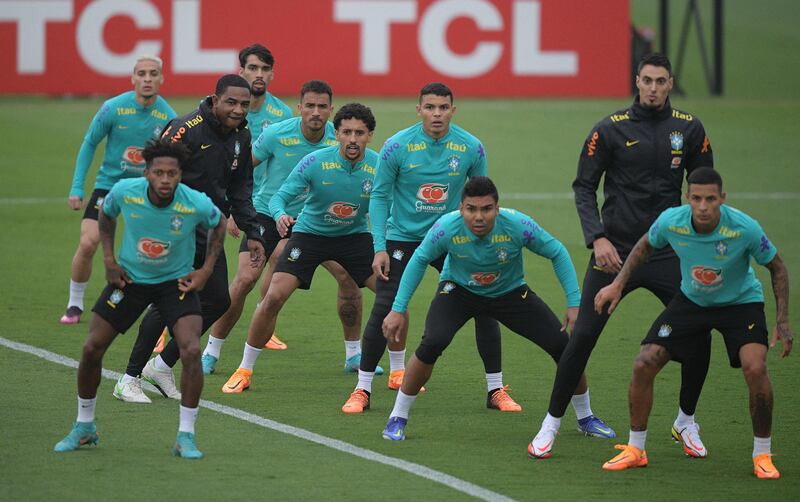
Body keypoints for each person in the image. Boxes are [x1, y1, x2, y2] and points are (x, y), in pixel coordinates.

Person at [530, 53, 716, 457]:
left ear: (670, 83)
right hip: (613, 254)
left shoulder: (689, 128)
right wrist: (597, 238)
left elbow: (705, 188)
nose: (653, 87)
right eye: (646, 80)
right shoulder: (610, 130)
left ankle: (686, 421)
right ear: (637, 81)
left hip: (668, 253)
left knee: (699, 334)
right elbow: (584, 186)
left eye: (661, 81)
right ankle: (551, 424)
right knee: (581, 340)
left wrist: (699, 245)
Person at [595, 167, 792, 479]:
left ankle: (762, 454)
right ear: (688, 198)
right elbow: (645, 245)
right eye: (697, 198)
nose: (703, 206)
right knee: (643, 363)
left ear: (722, 199)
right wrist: (618, 284)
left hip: (740, 303)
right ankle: (636, 449)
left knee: (754, 367)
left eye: (710, 199)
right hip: (693, 300)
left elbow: (777, 268)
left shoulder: (744, 228)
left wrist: (782, 321)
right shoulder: (673, 221)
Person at [379, 177, 606, 442]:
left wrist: (574, 303)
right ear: (461, 208)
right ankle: (398, 417)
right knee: (432, 343)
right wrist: (397, 309)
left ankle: (586, 417)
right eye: (471, 209)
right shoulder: (446, 228)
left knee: (564, 346)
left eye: (486, 209)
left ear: (497, 209)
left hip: (509, 293)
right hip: (458, 291)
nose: (478, 217)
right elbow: (419, 260)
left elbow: (556, 251)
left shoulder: (517, 225)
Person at [342, 83, 514, 415]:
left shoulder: (470, 148)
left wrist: (481, 243)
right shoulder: (397, 146)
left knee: (485, 304)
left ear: (453, 110)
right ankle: (362, 389)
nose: (437, 113)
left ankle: (495, 389)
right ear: (418, 109)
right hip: (403, 239)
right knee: (386, 304)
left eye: (443, 107)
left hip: (450, 239)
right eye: (430, 107)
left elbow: (480, 199)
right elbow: (378, 197)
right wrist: (379, 246)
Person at [54, 139, 226, 459]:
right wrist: (108, 260)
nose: (165, 179)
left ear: (180, 175)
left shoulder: (195, 202)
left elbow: (219, 224)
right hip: (130, 281)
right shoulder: (124, 191)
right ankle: (84, 426)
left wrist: (205, 271)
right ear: (146, 173)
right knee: (92, 348)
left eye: (171, 173)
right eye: (158, 172)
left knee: (190, 349)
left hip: (175, 284)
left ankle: (185, 436)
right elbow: (106, 215)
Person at [202, 81, 378, 375]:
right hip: (268, 215)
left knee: (348, 278)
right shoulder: (277, 134)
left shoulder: (344, 138)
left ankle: (353, 355)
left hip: (318, 224)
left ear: (331, 111)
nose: (316, 112)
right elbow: (244, 168)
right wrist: (234, 207)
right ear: (299, 108)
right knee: (246, 278)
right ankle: (212, 350)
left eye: (322, 107)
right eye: (309, 105)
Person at [113, 74, 266, 403]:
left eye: (244, 103)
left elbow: (241, 187)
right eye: (231, 102)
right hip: (174, 227)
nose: (239, 109)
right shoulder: (186, 129)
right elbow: (154, 176)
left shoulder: (242, 135)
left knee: (218, 300)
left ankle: (162, 365)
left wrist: (253, 232)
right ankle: (128, 378)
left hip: (208, 229)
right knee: (167, 299)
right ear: (215, 100)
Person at [61, 55, 176, 324]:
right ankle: (75, 303)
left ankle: (152, 303)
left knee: (151, 250)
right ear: (133, 78)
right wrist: (77, 187)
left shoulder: (168, 116)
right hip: (109, 186)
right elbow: (90, 143)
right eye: (142, 73)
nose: (147, 79)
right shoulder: (112, 108)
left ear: (161, 79)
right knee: (89, 241)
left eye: (153, 73)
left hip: (146, 189)